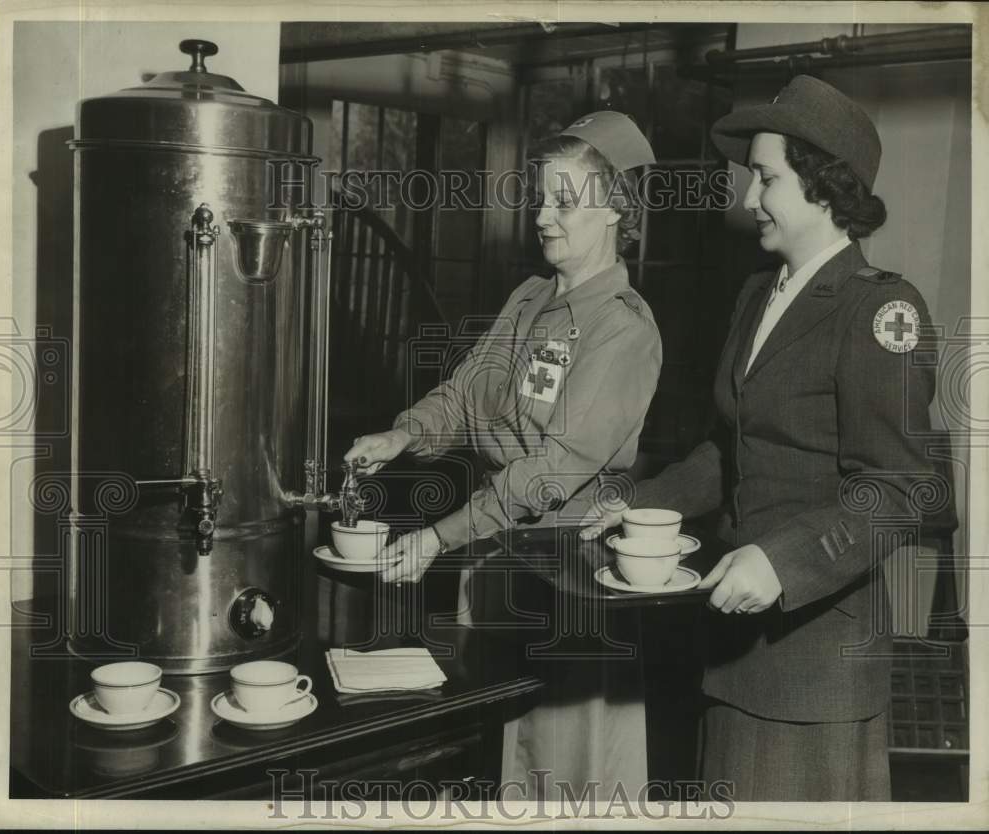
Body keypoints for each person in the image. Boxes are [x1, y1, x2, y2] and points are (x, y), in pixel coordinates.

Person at [584, 76, 952, 800]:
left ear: (825, 186)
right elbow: (732, 447)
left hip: (813, 672)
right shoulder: (759, 292)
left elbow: (901, 490)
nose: (749, 199)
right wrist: (645, 506)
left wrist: (782, 565)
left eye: (767, 178)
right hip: (732, 649)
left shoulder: (879, 309)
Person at [344, 111, 662, 800]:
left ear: (614, 208)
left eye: (565, 201)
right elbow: (464, 396)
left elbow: (552, 470)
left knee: (565, 772)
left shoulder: (622, 328)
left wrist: (438, 534)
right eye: (541, 198)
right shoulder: (529, 297)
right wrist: (404, 435)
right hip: (493, 562)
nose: (544, 216)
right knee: (492, 756)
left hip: (568, 577)